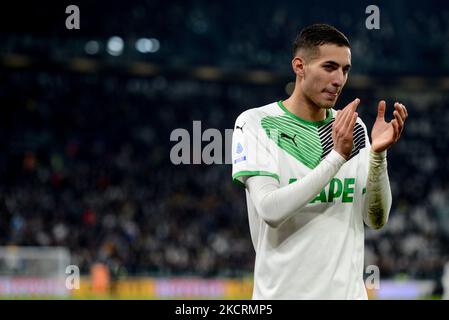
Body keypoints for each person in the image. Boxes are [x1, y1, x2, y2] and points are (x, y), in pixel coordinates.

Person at [231, 24, 408, 299]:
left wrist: (378, 157)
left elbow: (375, 219)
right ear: (299, 66)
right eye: (329, 67)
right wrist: (336, 157)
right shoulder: (255, 123)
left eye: (345, 70)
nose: (339, 79)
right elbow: (270, 210)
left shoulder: (353, 128)